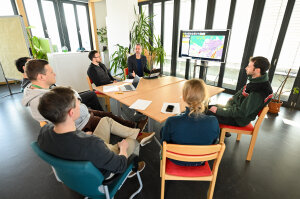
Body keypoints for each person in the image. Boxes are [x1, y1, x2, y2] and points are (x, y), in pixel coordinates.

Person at [37, 87, 154, 179]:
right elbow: (120, 164)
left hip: (86, 156)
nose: (80, 104)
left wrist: (83, 136)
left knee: (105, 121)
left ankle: (137, 133)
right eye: (78, 103)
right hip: (104, 170)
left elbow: (76, 143)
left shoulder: (44, 132)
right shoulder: (91, 143)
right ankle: (133, 167)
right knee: (131, 142)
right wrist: (123, 149)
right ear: (71, 113)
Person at [22, 59, 149, 133]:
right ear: (41, 77)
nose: (54, 74)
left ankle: (134, 126)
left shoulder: (43, 90)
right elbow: (62, 123)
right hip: (82, 123)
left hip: (83, 113)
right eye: (51, 72)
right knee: (109, 121)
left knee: (108, 114)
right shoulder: (38, 101)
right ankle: (135, 132)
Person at [160, 79, 220, 166]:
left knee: (163, 130)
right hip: (201, 160)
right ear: (204, 97)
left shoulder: (172, 121)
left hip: (176, 160)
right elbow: (214, 141)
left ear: (184, 98)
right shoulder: (213, 121)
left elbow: (164, 143)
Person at [208, 56, 273, 132]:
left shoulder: (259, 91)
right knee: (207, 107)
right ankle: (220, 131)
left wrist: (218, 111)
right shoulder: (256, 81)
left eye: (249, 66)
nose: (246, 68)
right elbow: (240, 98)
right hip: (233, 110)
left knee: (204, 113)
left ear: (257, 70)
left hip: (238, 119)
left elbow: (242, 113)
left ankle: (213, 137)